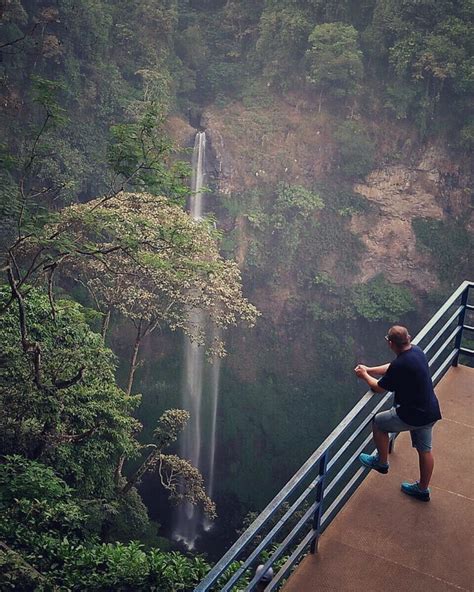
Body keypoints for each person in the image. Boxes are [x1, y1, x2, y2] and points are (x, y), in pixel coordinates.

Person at [354, 325, 442, 501]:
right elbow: (391, 367)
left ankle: (381, 462)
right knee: (425, 450)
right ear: (408, 339)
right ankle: (423, 490)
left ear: (390, 343)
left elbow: (379, 388)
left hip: (412, 414)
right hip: (430, 410)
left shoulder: (401, 364)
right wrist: (370, 370)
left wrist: (364, 375)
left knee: (379, 422)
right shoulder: (417, 351)